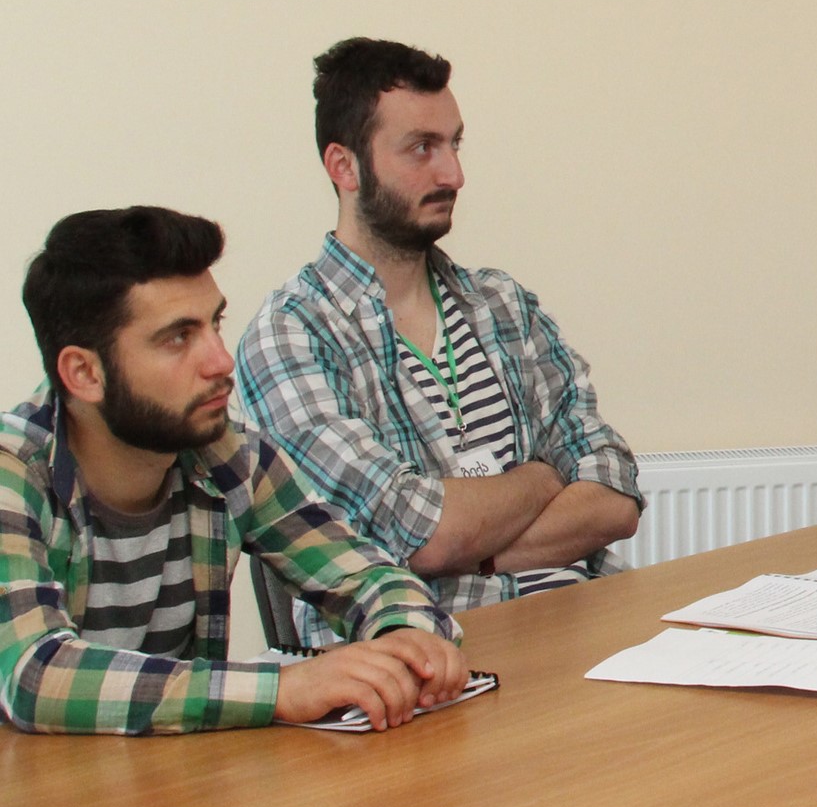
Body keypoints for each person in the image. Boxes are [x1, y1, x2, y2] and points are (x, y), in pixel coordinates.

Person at [0, 208, 467, 734]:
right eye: (178, 338)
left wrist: (406, 636)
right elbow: (33, 675)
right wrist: (282, 689)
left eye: (214, 324)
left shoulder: (225, 452)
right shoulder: (14, 472)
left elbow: (362, 574)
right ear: (84, 373)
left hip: (172, 775)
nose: (221, 360)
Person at [237, 39, 643, 629]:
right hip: (426, 654)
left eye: (454, 144)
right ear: (344, 166)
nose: (453, 173)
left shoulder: (503, 303)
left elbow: (615, 491)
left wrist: (473, 548)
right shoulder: (291, 335)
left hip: (583, 626)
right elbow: (419, 535)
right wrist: (544, 475)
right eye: (421, 148)